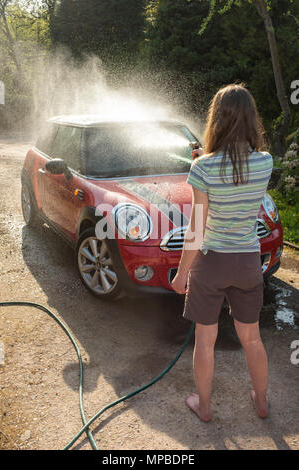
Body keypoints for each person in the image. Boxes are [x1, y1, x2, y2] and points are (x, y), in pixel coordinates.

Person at [171, 83, 273, 422]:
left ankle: (204, 407)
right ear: (250, 119)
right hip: (247, 263)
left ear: (216, 120)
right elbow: (238, 178)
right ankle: (261, 401)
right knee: (252, 339)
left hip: (212, 264)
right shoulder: (266, 162)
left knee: (204, 341)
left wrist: (182, 274)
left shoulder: (203, 169)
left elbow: (197, 230)